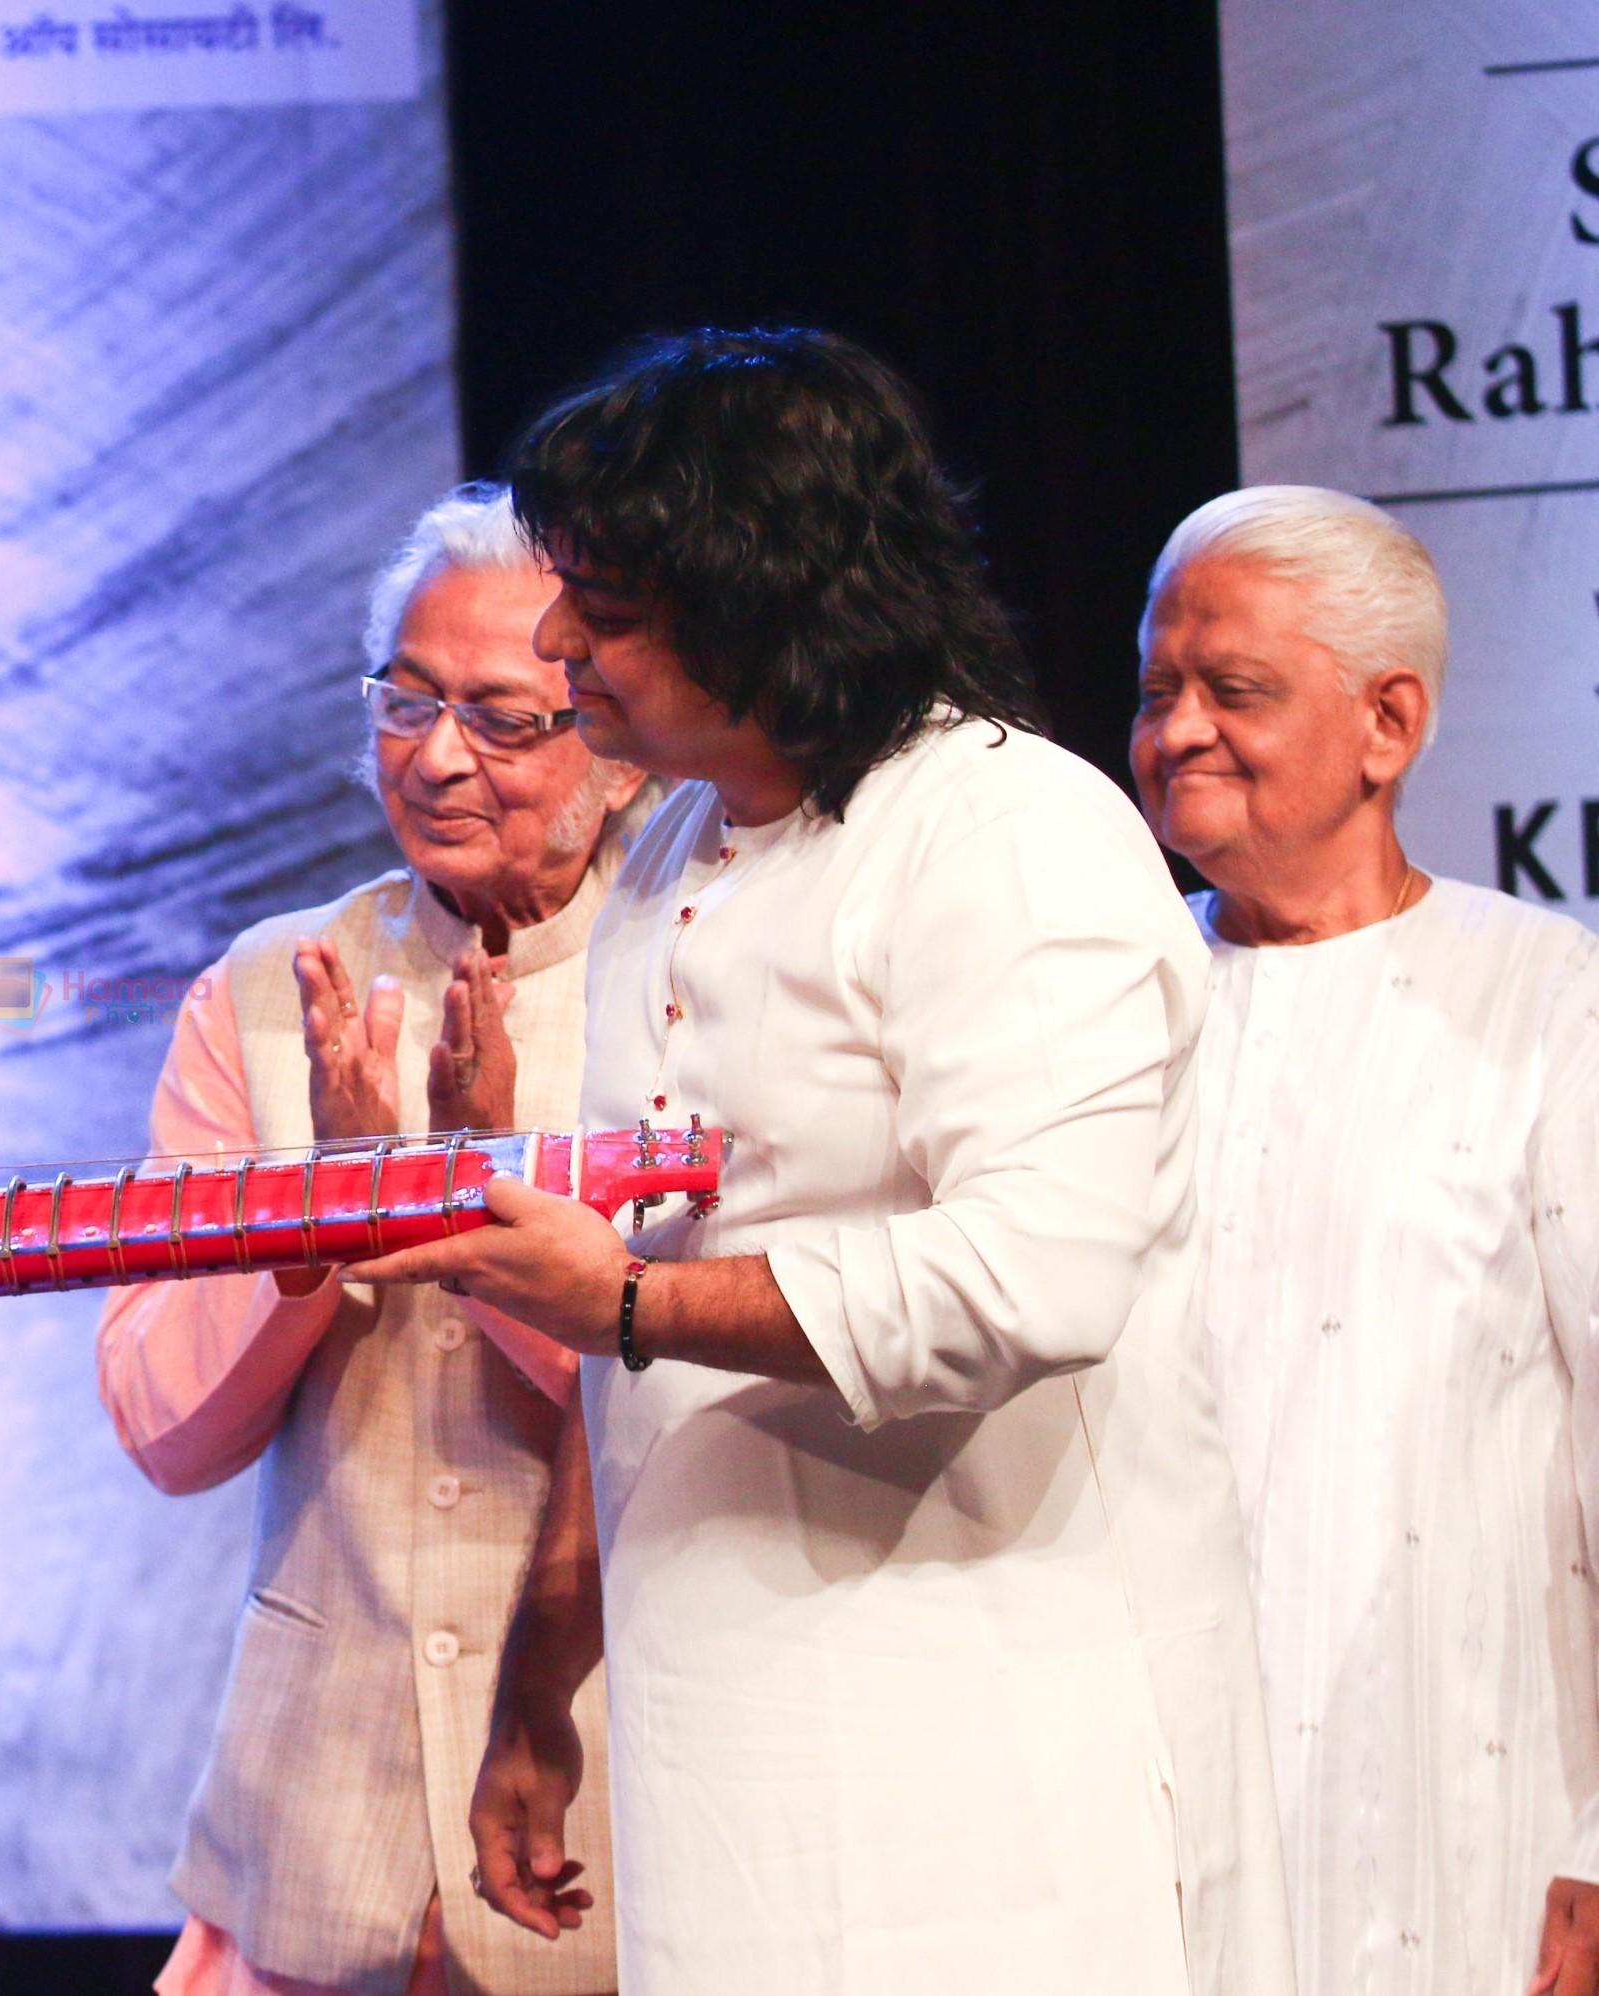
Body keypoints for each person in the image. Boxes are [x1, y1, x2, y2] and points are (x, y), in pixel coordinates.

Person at [350, 328, 1293, 1993]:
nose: (562, 644)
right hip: (725, 1739)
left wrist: (629, 1299)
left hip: (997, 1744)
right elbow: (632, 1343)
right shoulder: (676, 859)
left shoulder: (1004, 832)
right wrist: (541, 1687)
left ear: (759, 597)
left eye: (609, 607)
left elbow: (1034, 1277)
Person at [96, 484, 653, 1996]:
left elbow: (714, 1397)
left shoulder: (697, 981)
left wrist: (469, 1222)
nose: (438, 754)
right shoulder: (272, 989)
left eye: (503, 715)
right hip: (313, 1821)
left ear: (619, 743)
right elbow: (164, 1424)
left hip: (624, 1802)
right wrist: (310, 1240)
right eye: (405, 702)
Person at [1130, 486, 1599, 1996]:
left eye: (1233, 691)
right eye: (1157, 691)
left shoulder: (1550, 1003)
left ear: (1387, 724)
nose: (1177, 730)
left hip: (1470, 1821)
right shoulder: (1103, 1010)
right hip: (1145, 1822)